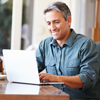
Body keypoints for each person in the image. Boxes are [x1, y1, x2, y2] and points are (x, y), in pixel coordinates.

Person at [36, 1, 100, 99]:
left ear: (68, 20)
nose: (52, 27)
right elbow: (32, 69)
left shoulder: (86, 44)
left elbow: (88, 79)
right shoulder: (44, 45)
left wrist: (56, 79)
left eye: (56, 22)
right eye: (49, 23)